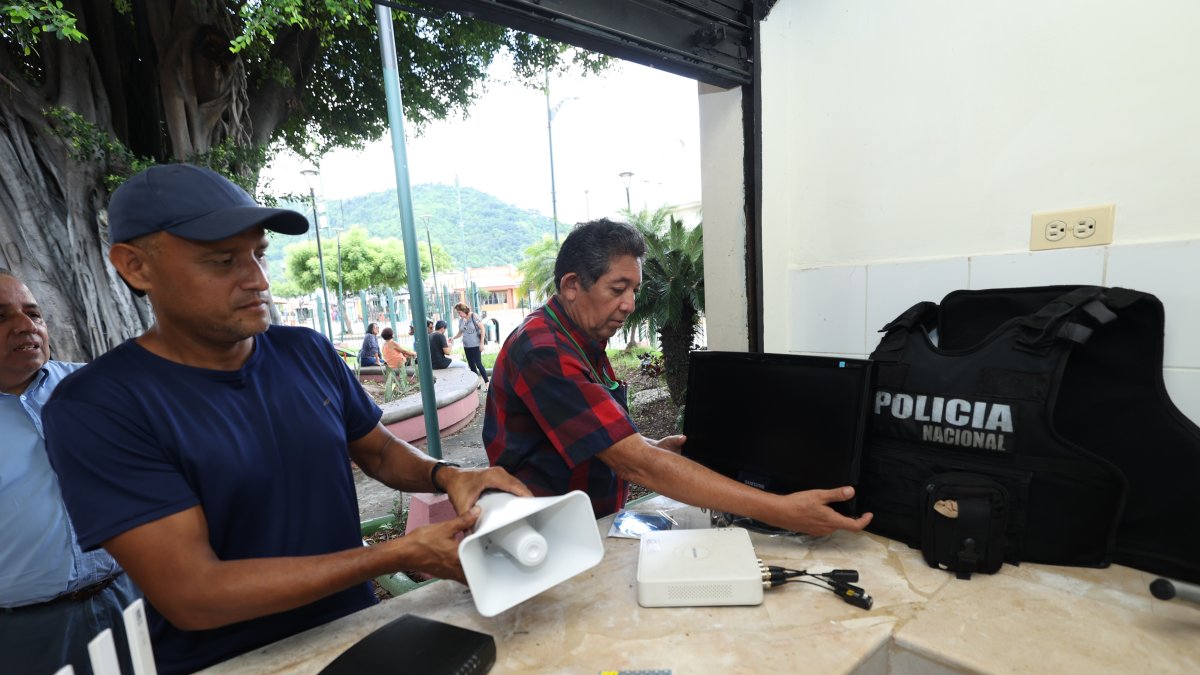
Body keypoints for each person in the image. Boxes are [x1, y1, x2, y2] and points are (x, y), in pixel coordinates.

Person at [42, 164, 530, 674]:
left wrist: (448, 474)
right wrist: (397, 555)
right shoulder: (99, 407)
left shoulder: (305, 351)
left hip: (357, 636)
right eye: (222, 260)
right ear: (136, 266)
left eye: (259, 254)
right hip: (228, 662)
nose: (257, 279)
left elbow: (380, 451)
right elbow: (193, 593)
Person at [483, 219, 873, 535]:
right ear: (572, 285)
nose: (629, 305)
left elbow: (594, 436)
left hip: (584, 529)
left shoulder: (582, 337)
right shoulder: (543, 349)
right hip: (541, 537)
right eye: (618, 289)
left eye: (634, 289)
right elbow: (635, 464)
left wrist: (652, 445)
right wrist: (781, 511)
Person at [0, 271, 142, 675]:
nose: (26, 327)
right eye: (1, 317)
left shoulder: (97, 387)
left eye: (34, 314)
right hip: (24, 631)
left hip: (129, 598)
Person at [450, 302, 489, 385]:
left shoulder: (474, 316)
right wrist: (453, 338)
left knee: (478, 364)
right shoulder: (461, 320)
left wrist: (481, 343)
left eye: (459, 312)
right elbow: (460, 332)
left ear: (464, 310)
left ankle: (487, 383)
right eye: (457, 312)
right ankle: (476, 384)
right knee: (471, 365)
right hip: (466, 346)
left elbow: (482, 329)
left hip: (476, 345)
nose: (458, 314)